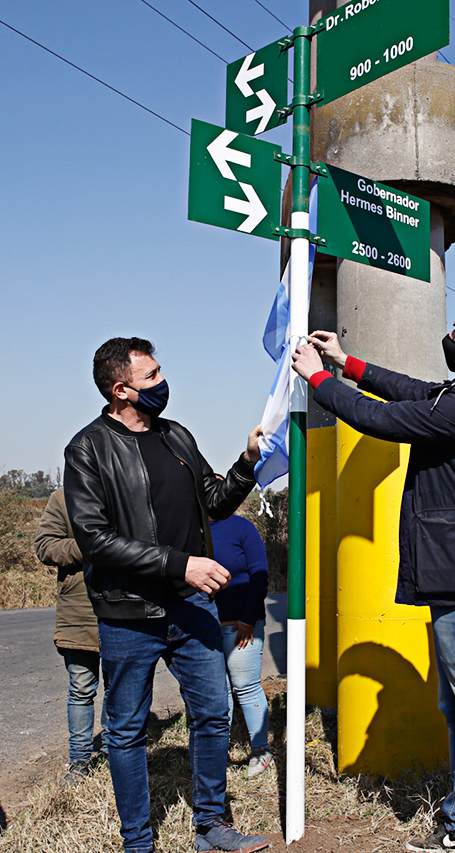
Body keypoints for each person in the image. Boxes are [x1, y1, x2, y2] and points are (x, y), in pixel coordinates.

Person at [292, 294, 455, 853]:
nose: (449, 337)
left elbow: (384, 419)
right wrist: (348, 363)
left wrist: (319, 380)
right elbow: (417, 392)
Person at [63, 336, 269, 853]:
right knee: (126, 729)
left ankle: (211, 826)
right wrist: (182, 564)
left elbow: (215, 502)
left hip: (191, 605)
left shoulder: (176, 436)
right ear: (120, 389)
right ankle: (138, 842)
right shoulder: (87, 449)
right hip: (128, 612)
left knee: (214, 714)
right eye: (151, 375)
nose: (163, 381)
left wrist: (246, 462)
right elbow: (95, 539)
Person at [35, 486, 108, 783]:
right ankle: (79, 762)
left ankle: (114, 752)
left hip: (127, 606)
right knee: (81, 689)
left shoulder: (128, 488)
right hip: (78, 610)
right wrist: (91, 546)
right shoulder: (63, 498)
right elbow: (45, 546)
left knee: (121, 689)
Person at [208, 511, 272, 777]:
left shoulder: (243, 528)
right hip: (205, 628)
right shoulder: (191, 528)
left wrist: (248, 618)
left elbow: (259, 575)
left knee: (246, 687)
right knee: (217, 692)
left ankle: (261, 750)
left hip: (240, 628)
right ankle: (216, 754)